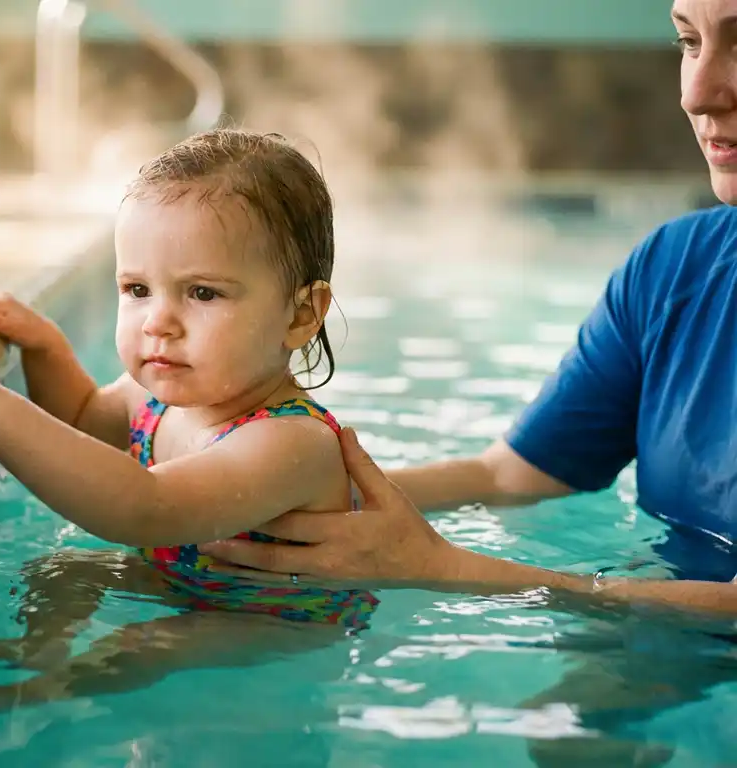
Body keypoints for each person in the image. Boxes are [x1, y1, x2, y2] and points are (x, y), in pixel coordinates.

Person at [198, 0, 737, 618]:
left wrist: (442, 569)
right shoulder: (676, 271)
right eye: (688, 43)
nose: (697, 94)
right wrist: (275, 491)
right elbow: (510, 475)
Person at [0, 128, 379, 719]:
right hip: (185, 584)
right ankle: (38, 652)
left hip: (278, 623)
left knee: (151, 643)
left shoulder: (290, 442)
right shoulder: (156, 397)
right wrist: (46, 349)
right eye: (137, 289)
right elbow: (80, 417)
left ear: (301, 314)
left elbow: (142, 509)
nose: (160, 322)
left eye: (202, 293)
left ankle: (46, 694)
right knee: (66, 567)